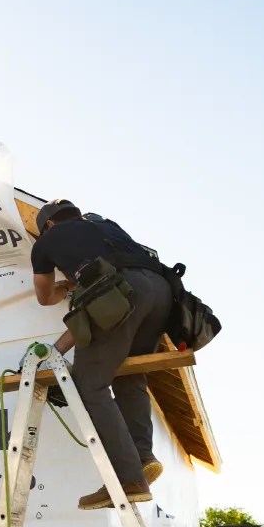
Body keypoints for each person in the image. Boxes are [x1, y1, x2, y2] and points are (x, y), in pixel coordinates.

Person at [29, 199, 172, 510]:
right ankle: (143, 456)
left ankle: (128, 479)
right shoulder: (105, 226)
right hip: (162, 293)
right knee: (129, 375)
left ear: (48, 226)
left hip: (118, 293)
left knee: (89, 384)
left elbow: (44, 296)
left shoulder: (47, 241)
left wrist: (65, 288)